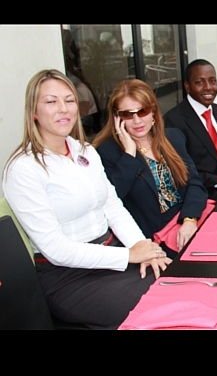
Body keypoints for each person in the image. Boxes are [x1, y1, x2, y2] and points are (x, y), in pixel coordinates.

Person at [2, 70, 170, 329]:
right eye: (51, 101)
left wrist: (143, 248)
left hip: (113, 253)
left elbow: (112, 207)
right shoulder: (23, 168)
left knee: (174, 286)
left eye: (69, 100)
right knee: (153, 313)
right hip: (68, 277)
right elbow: (56, 250)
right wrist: (129, 255)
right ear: (33, 111)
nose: (63, 108)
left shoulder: (85, 151)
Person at [93, 79, 209, 255]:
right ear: (117, 118)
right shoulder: (107, 152)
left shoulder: (173, 137)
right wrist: (129, 155)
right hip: (156, 237)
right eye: (128, 114)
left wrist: (189, 219)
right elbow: (112, 201)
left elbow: (194, 183)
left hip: (190, 217)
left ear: (153, 111)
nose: (137, 120)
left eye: (143, 111)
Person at [164, 59, 217, 201]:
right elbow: (182, 171)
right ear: (187, 86)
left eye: (212, 81)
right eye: (199, 82)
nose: (208, 87)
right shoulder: (173, 121)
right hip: (207, 191)